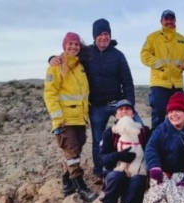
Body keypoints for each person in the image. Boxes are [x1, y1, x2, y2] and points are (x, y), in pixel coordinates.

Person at [49, 18, 143, 184]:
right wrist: (52, 59)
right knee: (98, 141)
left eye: (106, 34)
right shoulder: (87, 53)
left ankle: (140, 166)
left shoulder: (118, 55)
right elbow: (69, 55)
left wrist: (130, 105)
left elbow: (127, 81)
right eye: (100, 34)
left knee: (137, 129)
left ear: (110, 35)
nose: (103, 37)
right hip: (97, 106)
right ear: (94, 36)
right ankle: (100, 171)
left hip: (117, 103)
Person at [44, 32, 97, 202]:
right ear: (64, 46)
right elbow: (50, 94)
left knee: (75, 152)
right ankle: (81, 188)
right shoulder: (56, 66)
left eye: (76, 44)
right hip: (65, 120)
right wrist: (58, 118)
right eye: (70, 44)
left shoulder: (80, 65)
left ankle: (67, 183)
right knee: (72, 153)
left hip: (79, 119)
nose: (73, 47)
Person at [143, 92, 184, 203]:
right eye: (171, 112)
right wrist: (154, 166)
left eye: (178, 111)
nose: (174, 115)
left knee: (182, 199)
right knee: (153, 201)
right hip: (164, 173)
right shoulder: (162, 129)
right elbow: (151, 148)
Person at [140, 10, 184, 131]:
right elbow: (144, 55)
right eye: (166, 19)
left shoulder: (183, 40)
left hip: (177, 84)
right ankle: (156, 146)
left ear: (175, 21)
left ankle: (178, 144)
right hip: (159, 83)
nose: (169, 21)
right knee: (158, 116)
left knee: (179, 116)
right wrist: (160, 64)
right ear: (161, 21)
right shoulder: (152, 38)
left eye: (171, 19)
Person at [99, 99, 151, 203]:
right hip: (115, 171)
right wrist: (119, 155)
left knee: (138, 180)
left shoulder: (144, 131)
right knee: (115, 176)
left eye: (127, 109)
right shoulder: (110, 133)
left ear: (133, 113)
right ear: (116, 115)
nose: (124, 111)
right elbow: (102, 159)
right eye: (121, 109)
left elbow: (151, 152)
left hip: (137, 171)